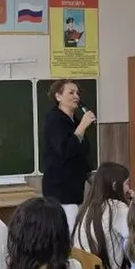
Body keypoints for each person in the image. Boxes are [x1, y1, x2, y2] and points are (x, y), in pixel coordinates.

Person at [72, 162, 131, 269]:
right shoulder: (117, 208)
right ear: (114, 185)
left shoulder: (88, 207)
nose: (129, 189)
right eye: (127, 184)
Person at [42, 79, 95, 233]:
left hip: (74, 188)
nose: (76, 96)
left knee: (72, 229)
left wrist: (90, 175)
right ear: (58, 96)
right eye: (71, 93)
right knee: (68, 232)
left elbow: (82, 152)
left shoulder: (75, 121)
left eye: (77, 93)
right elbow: (65, 149)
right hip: (60, 189)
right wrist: (83, 126)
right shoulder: (55, 119)